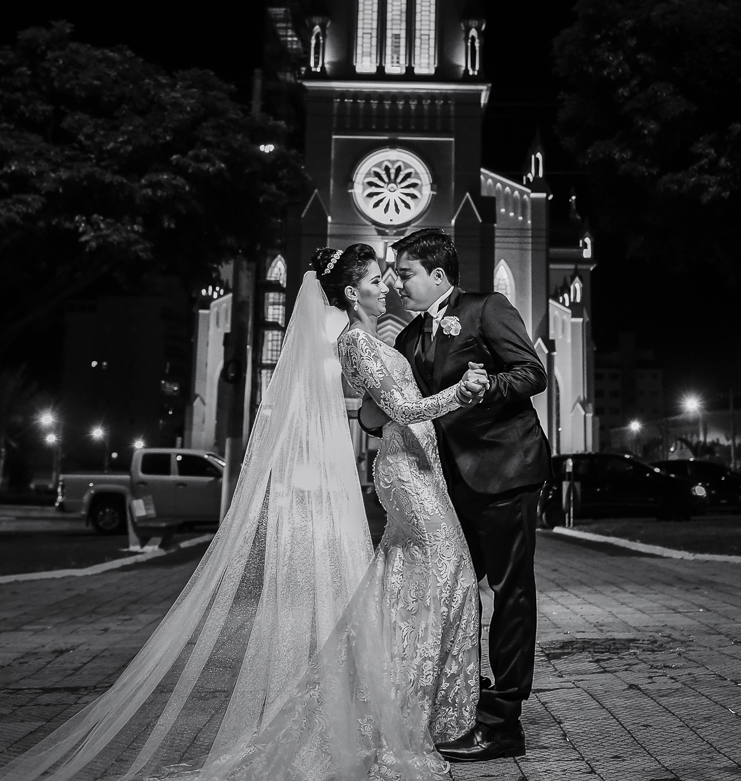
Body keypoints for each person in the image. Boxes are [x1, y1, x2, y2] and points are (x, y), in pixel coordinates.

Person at [0, 248, 489, 781]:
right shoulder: (353, 341)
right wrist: (459, 393)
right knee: (448, 571)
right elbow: (401, 409)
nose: (387, 285)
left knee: (408, 582)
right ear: (352, 294)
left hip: (419, 463)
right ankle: (407, 710)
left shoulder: (379, 339)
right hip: (404, 469)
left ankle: (393, 702)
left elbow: (378, 408)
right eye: (376, 280)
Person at [358, 230, 552, 763]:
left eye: (406, 272)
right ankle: (460, 704)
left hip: (504, 468)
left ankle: (504, 718)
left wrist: (487, 386)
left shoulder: (486, 308)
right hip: (444, 484)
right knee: (455, 589)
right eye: (393, 274)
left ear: (438, 276)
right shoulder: (407, 338)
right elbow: (399, 408)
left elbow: (532, 373)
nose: (397, 281)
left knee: (510, 590)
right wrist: (372, 414)